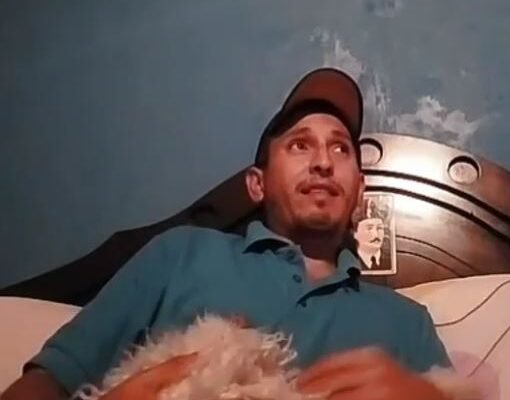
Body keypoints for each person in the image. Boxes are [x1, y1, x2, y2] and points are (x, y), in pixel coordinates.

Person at [1, 68, 452, 400]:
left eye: (340, 148)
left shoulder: (407, 323)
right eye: (300, 144)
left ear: (359, 190)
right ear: (257, 184)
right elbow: (47, 380)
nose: (323, 162)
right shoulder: (179, 255)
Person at [353, 197, 391, 272]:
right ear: (355, 233)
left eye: (379, 228)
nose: (376, 234)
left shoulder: (390, 260)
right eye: (369, 228)